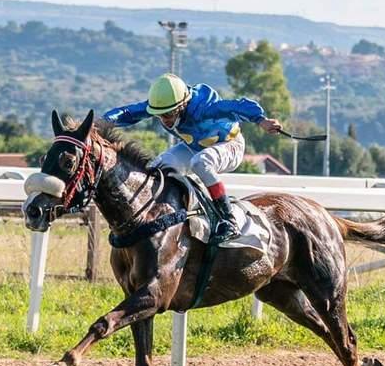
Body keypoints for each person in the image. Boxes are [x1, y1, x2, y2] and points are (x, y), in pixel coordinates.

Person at [104, 73, 282, 244]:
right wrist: (103, 121)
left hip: (229, 144)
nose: (164, 120)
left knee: (201, 162)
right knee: (156, 167)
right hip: (194, 147)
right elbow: (129, 112)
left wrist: (261, 120)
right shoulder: (164, 104)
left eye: (168, 114)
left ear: (182, 105)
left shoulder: (205, 108)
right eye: (159, 115)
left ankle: (229, 219)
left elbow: (238, 106)